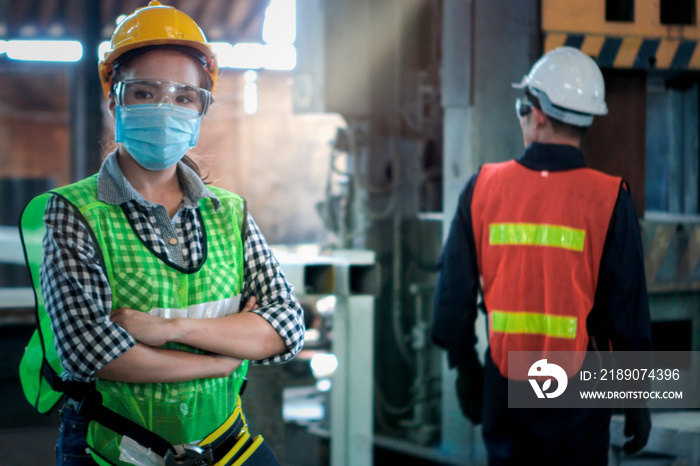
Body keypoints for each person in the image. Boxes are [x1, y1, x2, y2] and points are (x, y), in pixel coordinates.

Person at [25, 2, 304, 465]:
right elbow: (93, 353)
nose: (164, 107)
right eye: (144, 92)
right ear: (114, 99)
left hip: (223, 445)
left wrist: (164, 330)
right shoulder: (76, 212)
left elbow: (286, 327)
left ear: (200, 112)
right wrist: (221, 357)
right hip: (114, 450)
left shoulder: (227, 213)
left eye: (183, 97)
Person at [431, 46, 653, 465]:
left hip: (506, 385)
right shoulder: (608, 198)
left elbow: (452, 298)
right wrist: (637, 398)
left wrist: (465, 369)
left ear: (540, 113)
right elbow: (627, 311)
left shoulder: (482, 188)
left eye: (522, 105)